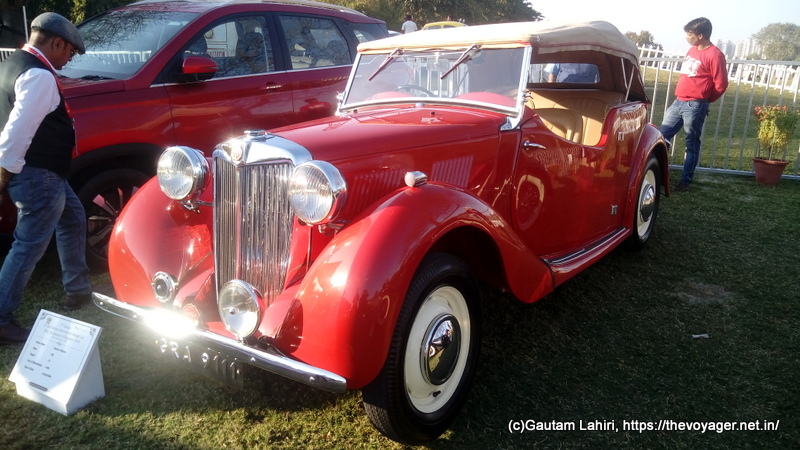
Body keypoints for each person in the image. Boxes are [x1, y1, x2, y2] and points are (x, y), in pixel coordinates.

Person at [0, 12, 92, 344]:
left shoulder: (12, 64)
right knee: (28, 247)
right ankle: (1, 318)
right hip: (39, 175)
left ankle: (78, 289)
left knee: (73, 218)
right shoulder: (38, 76)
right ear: (56, 42)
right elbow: (16, 132)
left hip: (45, 174)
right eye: (69, 52)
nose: (68, 60)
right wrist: (3, 177)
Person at [659, 17, 728, 192]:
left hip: (695, 105)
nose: (686, 37)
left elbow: (721, 84)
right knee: (660, 137)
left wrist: (704, 99)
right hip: (678, 102)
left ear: (700, 35)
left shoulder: (715, 55)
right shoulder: (692, 50)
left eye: (689, 34)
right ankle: (658, 172)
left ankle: (685, 180)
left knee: (691, 144)